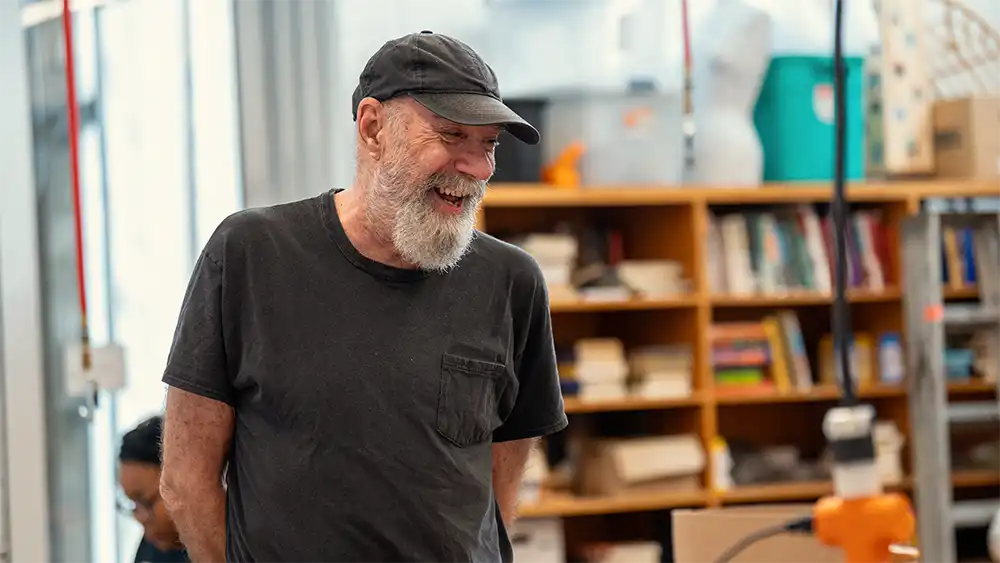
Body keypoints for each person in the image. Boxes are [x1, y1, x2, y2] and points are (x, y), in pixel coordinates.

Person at [159, 30, 567, 563]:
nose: (478, 168)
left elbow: (498, 487)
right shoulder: (250, 255)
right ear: (373, 128)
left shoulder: (511, 281)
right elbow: (185, 481)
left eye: (487, 144)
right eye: (450, 136)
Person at [118, 415, 190, 563]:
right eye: (133, 504)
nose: (140, 518)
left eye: (146, 501)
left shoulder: (225, 547)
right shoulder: (153, 547)